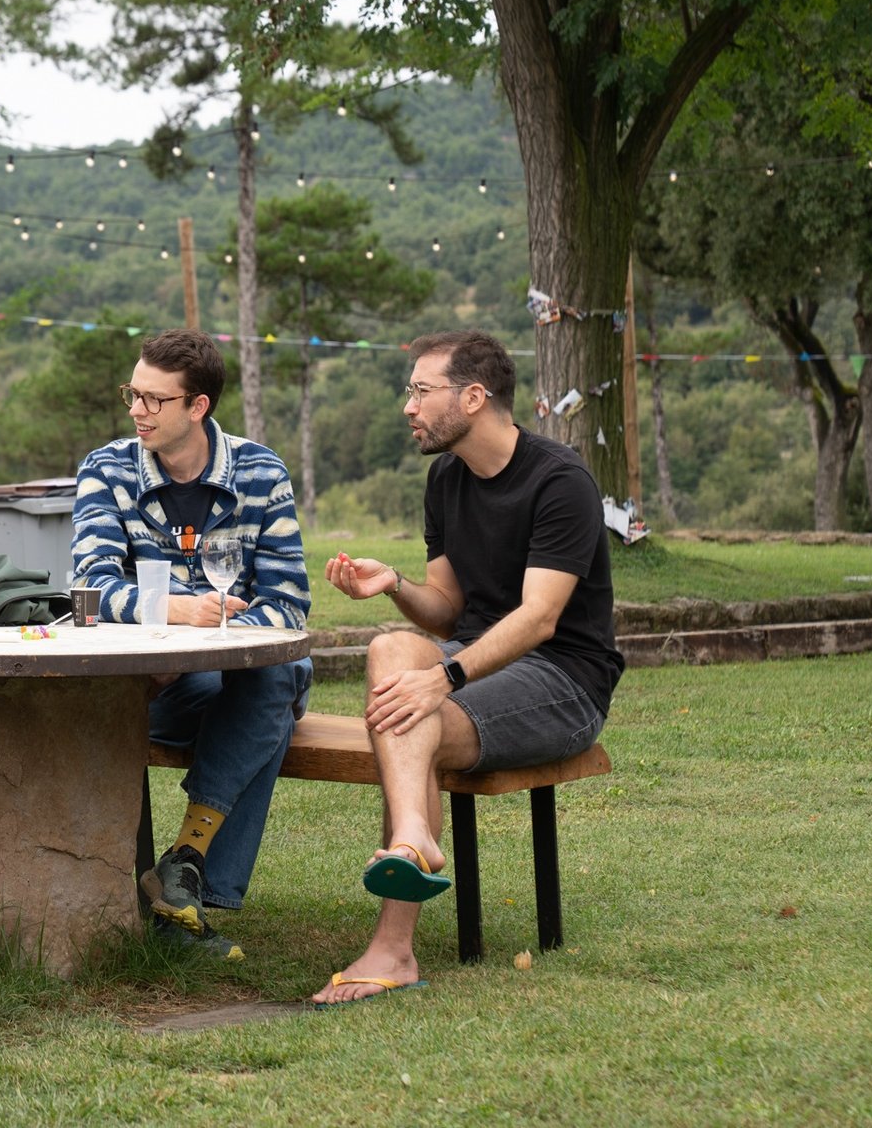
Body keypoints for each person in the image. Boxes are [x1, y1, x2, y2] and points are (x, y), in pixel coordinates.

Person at [312, 329, 622, 1005]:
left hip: (563, 680)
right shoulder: (446, 478)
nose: (408, 406)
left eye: (421, 390)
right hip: (475, 667)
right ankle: (415, 838)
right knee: (390, 652)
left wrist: (445, 679)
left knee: (410, 707)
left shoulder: (560, 479)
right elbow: (450, 609)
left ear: (474, 396)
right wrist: (393, 583)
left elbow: (541, 618)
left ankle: (392, 947)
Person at [71, 328, 312, 961]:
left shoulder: (260, 472)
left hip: (224, 681)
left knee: (277, 674)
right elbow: (89, 590)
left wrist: (202, 649)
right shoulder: (108, 468)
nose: (136, 411)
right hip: (142, 690)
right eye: (133, 394)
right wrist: (177, 615)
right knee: (272, 705)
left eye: (154, 400)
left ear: (197, 406)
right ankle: (185, 899)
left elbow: (287, 606)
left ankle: (183, 868)